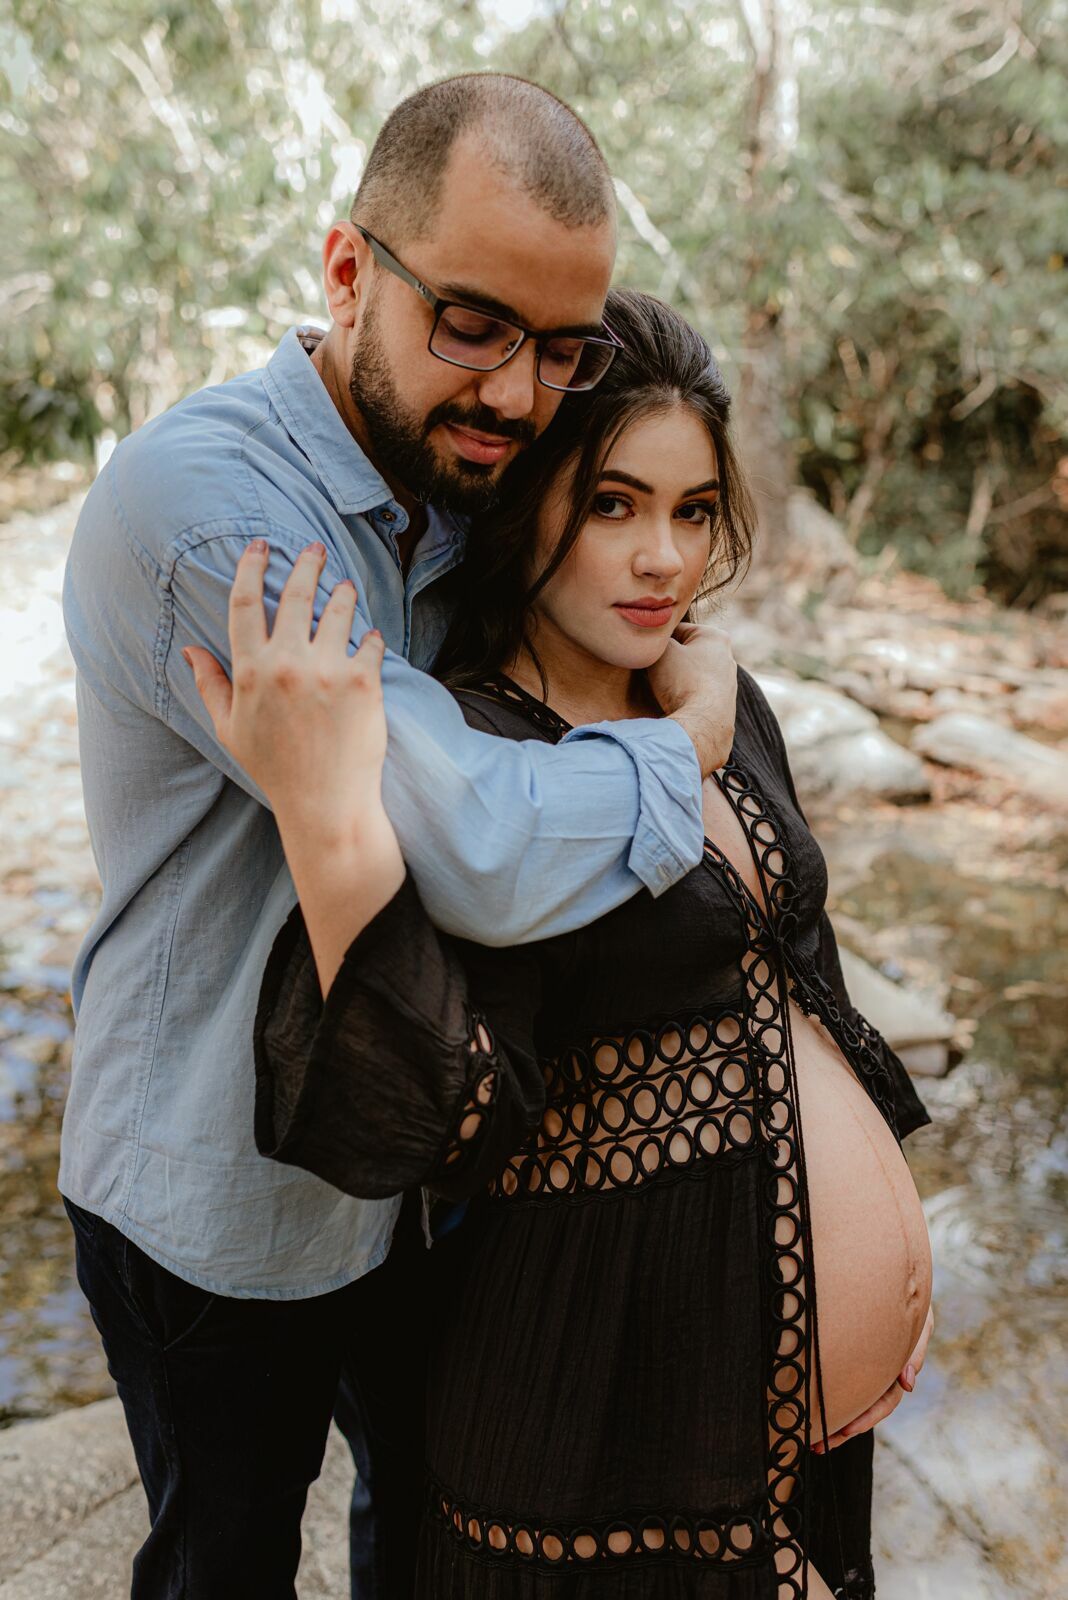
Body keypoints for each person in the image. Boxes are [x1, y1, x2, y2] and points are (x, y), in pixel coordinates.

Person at [60, 76, 739, 1600]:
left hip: (409, 1157)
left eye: (559, 349)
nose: (515, 391)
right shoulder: (213, 506)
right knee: (223, 1560)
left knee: (425, 1532)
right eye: (475, 323)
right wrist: (692, 736)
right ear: (349, 270)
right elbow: (479, 849)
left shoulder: (449, 471)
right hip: (212, 1191)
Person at [189, 290, 934, 1600]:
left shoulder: (716, 691)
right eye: (614, 504)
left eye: (693, 510)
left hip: (790, 1429)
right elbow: (449, 1109)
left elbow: (791, 985)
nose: (663, 556)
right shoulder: (483, 770)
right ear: (527, 502)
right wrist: (327, 823)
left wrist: (874, 1276)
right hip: (600, 1421)